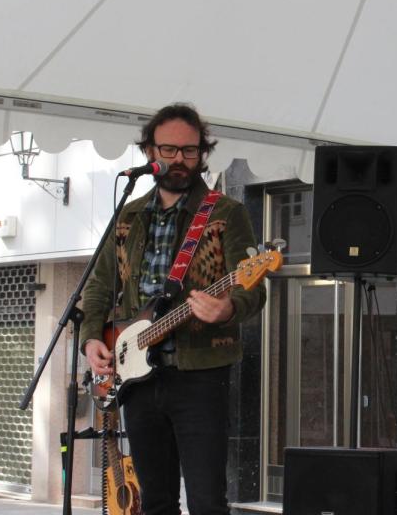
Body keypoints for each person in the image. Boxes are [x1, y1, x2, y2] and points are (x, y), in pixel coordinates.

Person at [80, 103, 266, 515]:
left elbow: (253, 287)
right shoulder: (128, 215)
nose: (179, 159)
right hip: (136, 379)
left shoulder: (226, 213)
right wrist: (92, 338)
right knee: (155, 502)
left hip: (200, 377)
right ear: (150, 152)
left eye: (189, 151)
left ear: (202, 153)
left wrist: (227, 309)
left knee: (207, 502)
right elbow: (99, 287)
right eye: (169, 150)